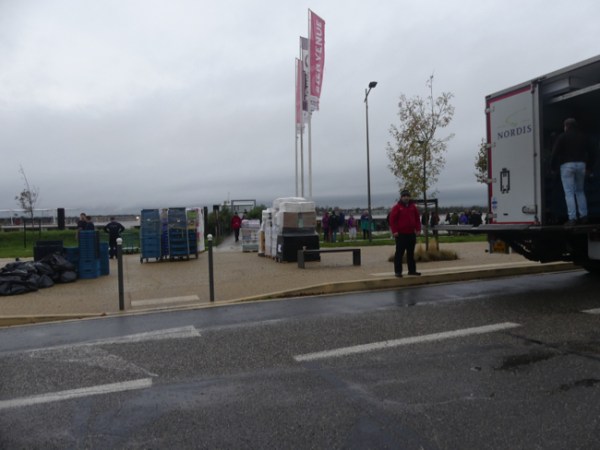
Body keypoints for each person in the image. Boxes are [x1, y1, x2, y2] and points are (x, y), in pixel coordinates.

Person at [551, 118, 591, 226]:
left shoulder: (562, 137)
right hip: (581, 165)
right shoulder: (583, 136)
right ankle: (584, 216)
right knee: (580, 191)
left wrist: (553, 167)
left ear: (566, 126)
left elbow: (554, 153)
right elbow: (592, 151)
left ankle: (572, 218)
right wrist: (589, 167)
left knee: (569, 192)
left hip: (567, 166)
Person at [389, 189, 422, 277]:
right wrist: (394, 231)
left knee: (410, 253)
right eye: (404, 196)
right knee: (399, 254)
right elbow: (392, 220)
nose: (406, 198)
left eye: (407, 196)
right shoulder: (397, 207)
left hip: (411, 234)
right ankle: (398, 271)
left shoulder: (413, 207)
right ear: (401, 197)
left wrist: (418, 229)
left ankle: (412, 270)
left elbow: (417, 219)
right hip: (401, 234)